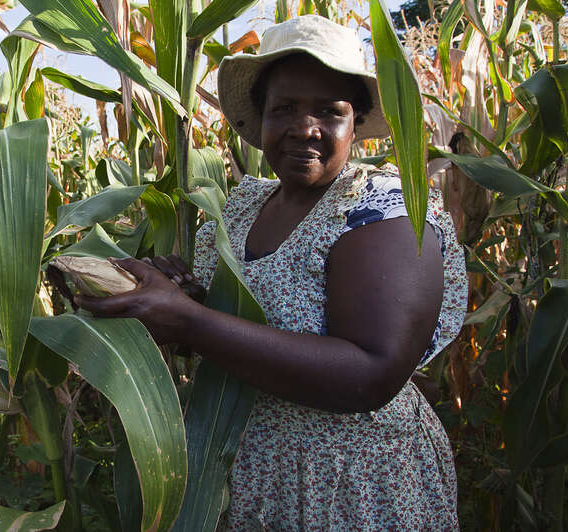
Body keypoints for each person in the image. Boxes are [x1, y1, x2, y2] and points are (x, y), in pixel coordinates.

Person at [76, 15, 467, 530]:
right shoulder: (245, 205)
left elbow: (371, 374)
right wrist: (189, 299)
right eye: (284, 108)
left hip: (352, 486)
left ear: (356, 122)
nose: (305, 128)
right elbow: (247, 326)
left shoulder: (381, 210)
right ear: (259, 118)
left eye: (329, 111)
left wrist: (189, 322)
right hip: (250, 473)